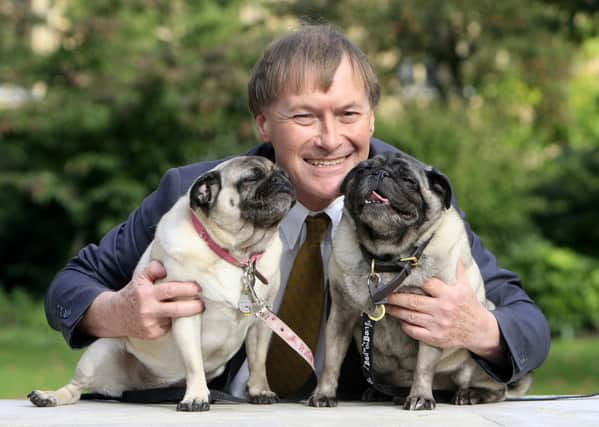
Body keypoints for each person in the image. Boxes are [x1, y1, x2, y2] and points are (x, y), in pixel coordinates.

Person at [45, 23, 550, 400]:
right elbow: (70, 287)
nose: (331, 139)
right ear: (264, 123)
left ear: (372, 118)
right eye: (305, 116)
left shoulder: (419, 199)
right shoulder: (196, 191)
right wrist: (117, 312)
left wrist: (478, 329)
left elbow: (525, 321)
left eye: (349, 114)